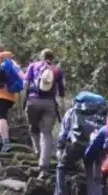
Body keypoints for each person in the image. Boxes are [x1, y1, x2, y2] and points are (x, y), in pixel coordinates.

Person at [56, 91, 108, 195]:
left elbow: (64, 131)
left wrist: (60, 147)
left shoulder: (73, 111)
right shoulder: (101, 113)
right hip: (95, 147)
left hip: (76, 145)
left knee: (61, 167)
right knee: (95, 180)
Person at [23, 49, 65, 179]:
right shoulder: (57, 70)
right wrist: (62, 106)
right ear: (52, 58)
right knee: (46, 133)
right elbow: (62, 90)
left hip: (33, 101)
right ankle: (43, 166)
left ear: (41, 57)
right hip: (49, 103)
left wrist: (24, 101)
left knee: (33, 128)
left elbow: (25, 84)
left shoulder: (33, 66)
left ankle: (38, 151)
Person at [0, 47, 25, 153]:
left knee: (2, 117)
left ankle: (6, 142)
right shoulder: (12, 62)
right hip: (11, 95)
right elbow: (23, 77)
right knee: (1, 116)